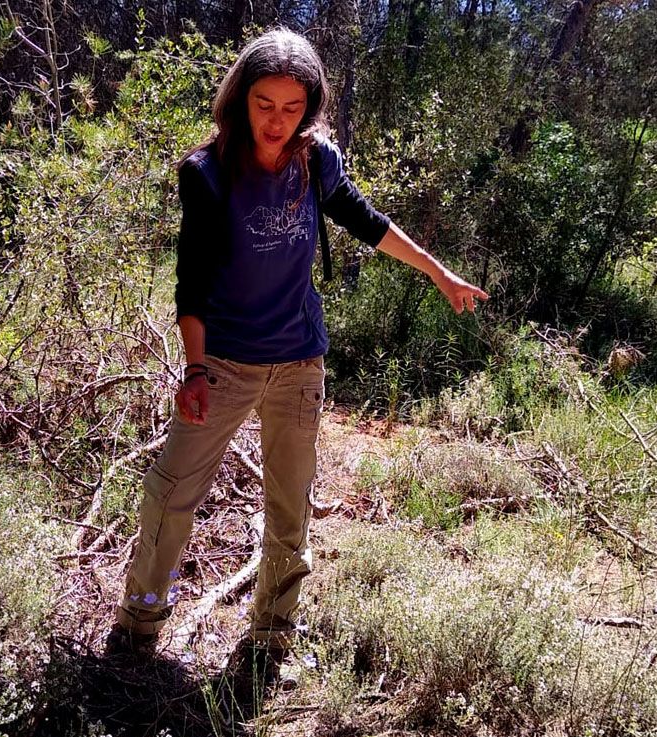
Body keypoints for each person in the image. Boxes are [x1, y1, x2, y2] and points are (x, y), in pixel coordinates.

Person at [108, 28, 487, 662]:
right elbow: (191, 281)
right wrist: (195, 369)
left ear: (309, 106)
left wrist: (437, 271)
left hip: (298, 362)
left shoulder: (317, 161)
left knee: (289, 510)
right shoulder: (207, 174)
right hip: (224, 364)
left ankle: (271, 633)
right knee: (169, 493)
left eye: (291, 107)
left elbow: (364, 220)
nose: (276, 121)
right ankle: (142, 620)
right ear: (240, 98)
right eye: (264, 104)